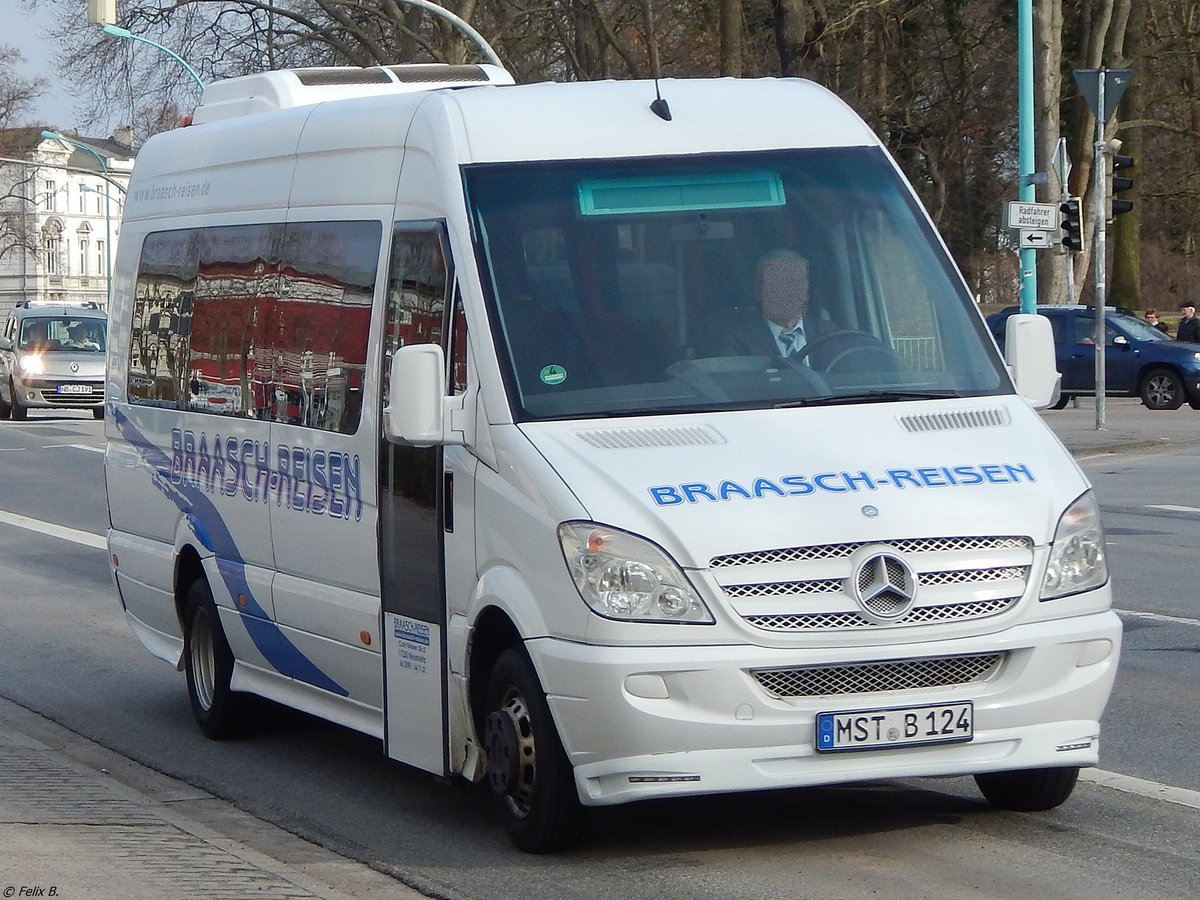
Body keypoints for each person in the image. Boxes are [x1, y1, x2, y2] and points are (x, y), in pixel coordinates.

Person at [723, 249, 821, 359]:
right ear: (758, 290)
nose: (787, 290)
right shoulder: (739, 342)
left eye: (793, 281)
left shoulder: (831, 335)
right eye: (777, 283)